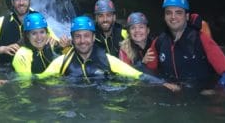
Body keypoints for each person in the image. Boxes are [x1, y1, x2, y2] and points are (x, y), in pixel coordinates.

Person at [38, 16, 180, 91]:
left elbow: (136, 75)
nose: (82, 41)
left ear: (94, 38)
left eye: (86, 36)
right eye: (78, 36)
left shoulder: (107, 60)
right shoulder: (62, 62)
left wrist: (163, 83)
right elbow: (38, 80)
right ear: (72, 39)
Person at [146, 0, 225, 88]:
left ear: (187, 16)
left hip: (201, 95)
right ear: (164, 17)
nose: (173, 17)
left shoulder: (201, 39)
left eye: (178, 13)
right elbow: (148, 73)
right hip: (169, 94)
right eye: (168, 13)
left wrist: (216, 91)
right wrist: (161, 83)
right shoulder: (158, 42)